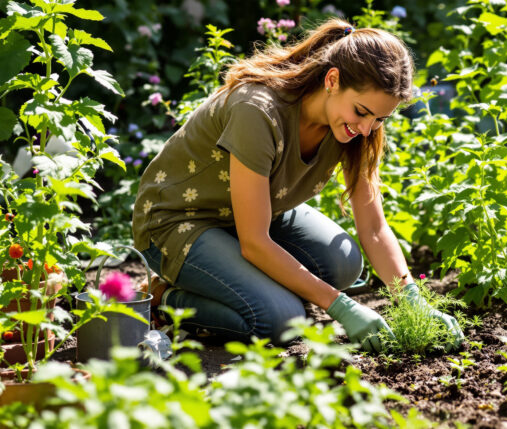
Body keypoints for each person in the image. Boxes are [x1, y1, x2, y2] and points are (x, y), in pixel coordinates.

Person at [132, 18, 464, 353]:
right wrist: (340, 306)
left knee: (343, 261)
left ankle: (244, 284)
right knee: (280, 320)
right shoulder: (258, 110)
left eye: (380, 119)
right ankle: (163, 299)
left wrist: (411, 297)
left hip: (246, 219)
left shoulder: (357, 128)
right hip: (177, 223)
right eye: (362, 112)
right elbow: (255, 242)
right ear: (332, 79)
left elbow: (374, 228)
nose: (367, 128)